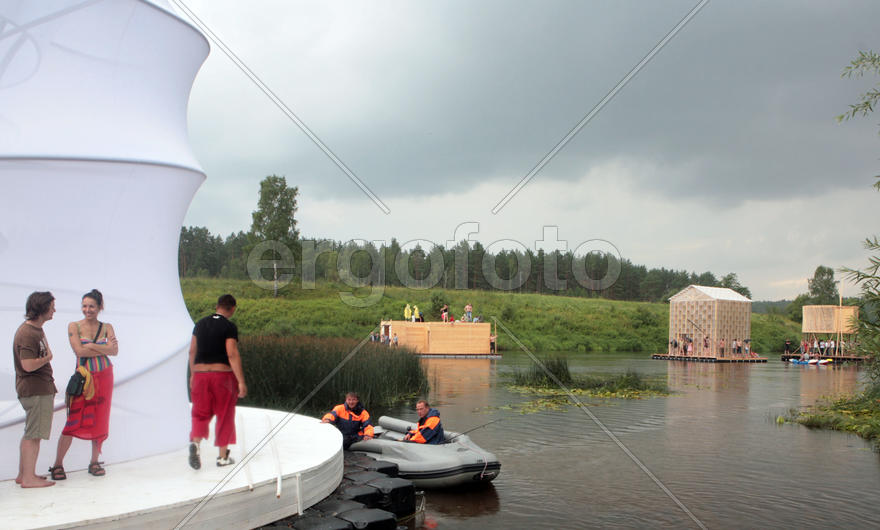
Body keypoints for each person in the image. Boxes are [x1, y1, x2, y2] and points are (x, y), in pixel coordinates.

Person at [50, 289, 119, 480]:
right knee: (73, 421)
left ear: (99, 308)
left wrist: (91, 346)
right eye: (84, 306)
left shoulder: (107, 326)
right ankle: (57, 464)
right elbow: (79, 351)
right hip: (84, 378)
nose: (87, 310)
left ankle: (94, 461)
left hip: (104, 376)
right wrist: (102, 347)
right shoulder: (74, 326)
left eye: (92, 306)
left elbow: (115, 351)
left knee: (100, 419)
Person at [189, 294, 247, 469]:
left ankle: (196, 443)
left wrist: (193, 374)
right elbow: (231, 353)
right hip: (222, 376)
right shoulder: (229, 327)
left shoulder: (199, 324)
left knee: (200, 413)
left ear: (217, 306)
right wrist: (241, 381)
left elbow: (192, 351)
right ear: (232, 309)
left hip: (200, 375)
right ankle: (222, 457)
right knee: (225, 414)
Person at [14, 292, 58, 488]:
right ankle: (28, 479)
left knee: (30, 432)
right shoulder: (28, 333)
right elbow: (28, 365)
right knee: (34, 435)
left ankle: (24, 474)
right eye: (51, 307)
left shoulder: (35, 330)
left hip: (38, 388)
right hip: (36, 390)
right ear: (42, 308)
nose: (54, 310)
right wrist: (47, 359)